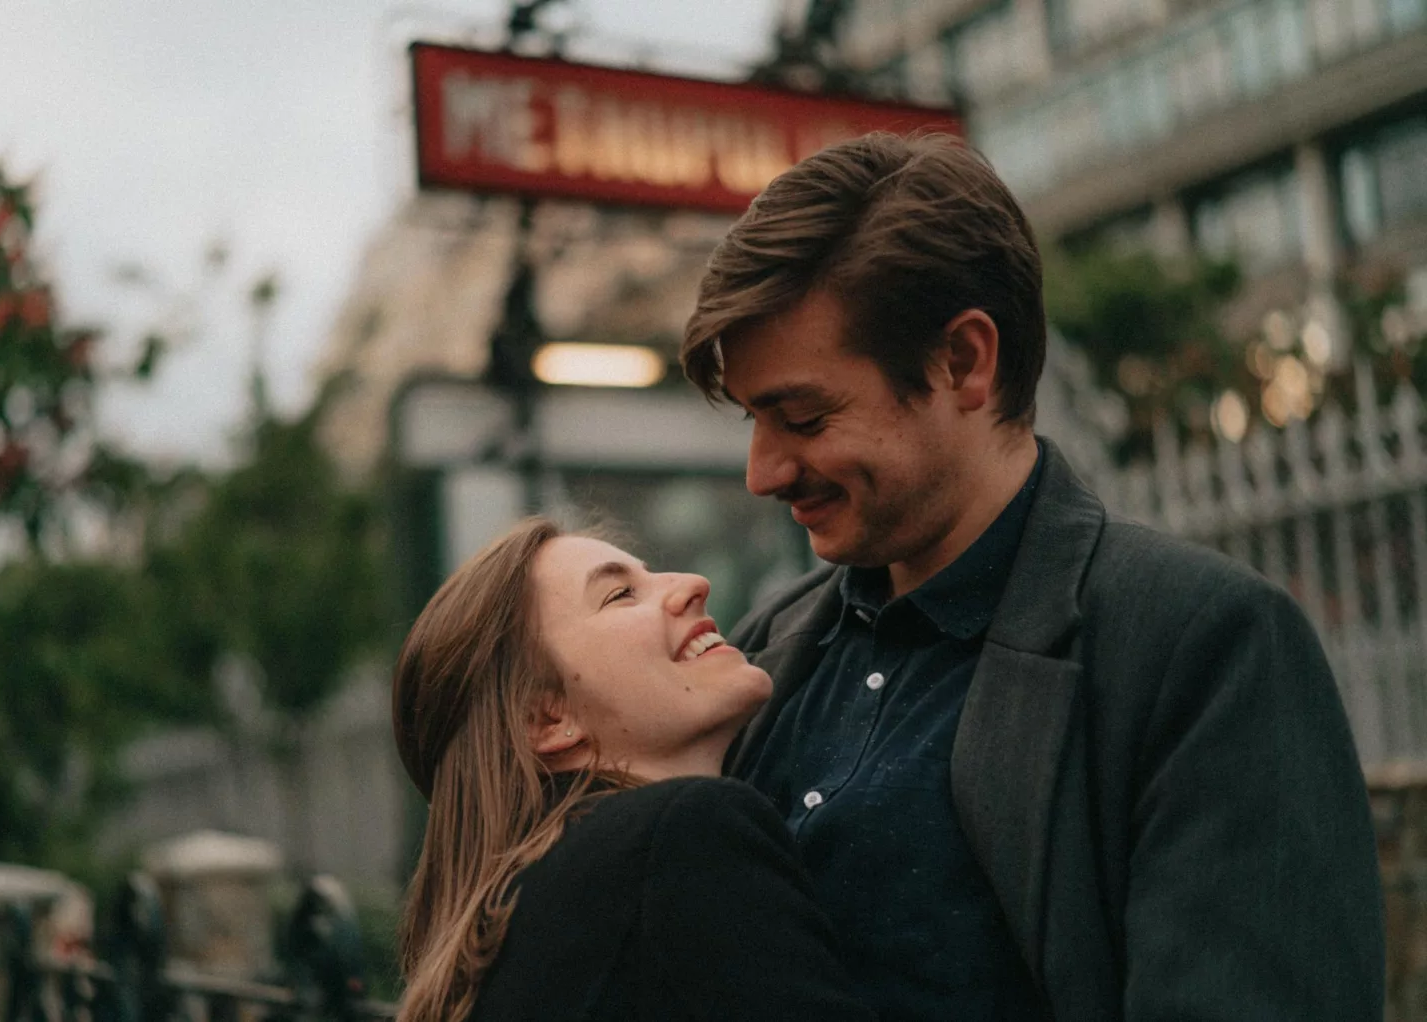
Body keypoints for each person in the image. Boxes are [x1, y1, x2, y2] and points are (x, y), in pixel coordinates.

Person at [680, 131, 1385, 1021]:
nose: (763, 472)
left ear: (964, 361)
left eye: (804, 417)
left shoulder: (1204, 646)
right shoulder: (761, 648)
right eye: (753, 420)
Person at [390, 517, 874, 1022]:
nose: (694, 584)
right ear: (547, 719)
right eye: (620, 594)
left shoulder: (514, 922)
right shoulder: (684, 835)